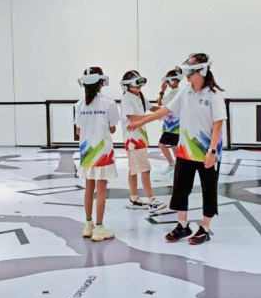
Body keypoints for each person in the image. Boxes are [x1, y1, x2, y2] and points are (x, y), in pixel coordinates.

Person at [129, 53, 226, 245]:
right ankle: (182, 225)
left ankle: (205, 229)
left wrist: (212, 151)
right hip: (185, 151)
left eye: (191, 72)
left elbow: (218, 123)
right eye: (186, 72)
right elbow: (166, 110)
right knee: (181, 189)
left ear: (203, 71)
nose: (187, 76)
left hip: (207, 152)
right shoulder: (185, 91)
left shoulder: (213, 94)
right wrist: (141, 121)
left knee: (208, 191)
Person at [75, 67, 120, 242]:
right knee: (101, 189)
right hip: (103, 153)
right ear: (101, 82)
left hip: (87, 152)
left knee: (88, 188)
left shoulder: (79, 105)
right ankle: (99, 228)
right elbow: (113, 128)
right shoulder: (109, 103)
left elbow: (78, 131)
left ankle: (88, 225)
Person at [120, 70, 166, 211]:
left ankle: (134, 198)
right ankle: (151, 200)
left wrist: (166, 110)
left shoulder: (138, 95)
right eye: (136, 85)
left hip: (140, 138)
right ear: (127, 85)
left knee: (134, 169)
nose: (139, 87)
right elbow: (133, 118)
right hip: (133, 140)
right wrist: (155, 116)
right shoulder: (126, 98)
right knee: (145, 169)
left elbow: (151, 108)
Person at [157, 70, 182, 175]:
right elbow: (160, 103)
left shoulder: (175, 93)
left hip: (174, 124)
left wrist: (162, 92)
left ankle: (177, 164)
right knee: (168, 144)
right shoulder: (175, 92)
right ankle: (174, 164)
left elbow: (160, 103)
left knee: (170, 145)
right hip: (170, 124)